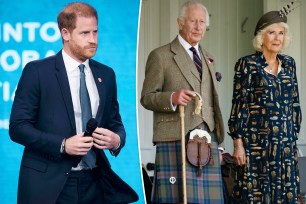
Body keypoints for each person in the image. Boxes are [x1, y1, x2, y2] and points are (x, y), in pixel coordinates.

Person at [9, 2, 138, 204]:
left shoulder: (107, 74)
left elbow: (115, 122)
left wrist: (117, 140)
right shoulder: (37, 71)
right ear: (65, 34)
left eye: (95, 32)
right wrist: (63, 145)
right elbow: (18, 128)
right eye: (85, 33)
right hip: (48, 185)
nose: (93, 40)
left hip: (95, 183)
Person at [140, 1, 225, 203]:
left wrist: (218, 144)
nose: (198, 27)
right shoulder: (160, 56)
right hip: (174, 138)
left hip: (207, 140)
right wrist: (171, 98)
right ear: (180, 23)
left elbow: (212, 102)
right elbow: (146, 97)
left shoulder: (209, 58)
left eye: (202, 22)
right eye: (193, 21)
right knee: (175, 199)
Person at [228, 10, 302, 203]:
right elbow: (238, 106)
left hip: (284, 146)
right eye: (271, 32)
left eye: (281, 33)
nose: (277, 38)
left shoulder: (289, 64)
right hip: (256, 146)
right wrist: (238, 144)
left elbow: (295, 104)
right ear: (262, 37)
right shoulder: (247, 65)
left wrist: (292, 139)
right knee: (255, 197)